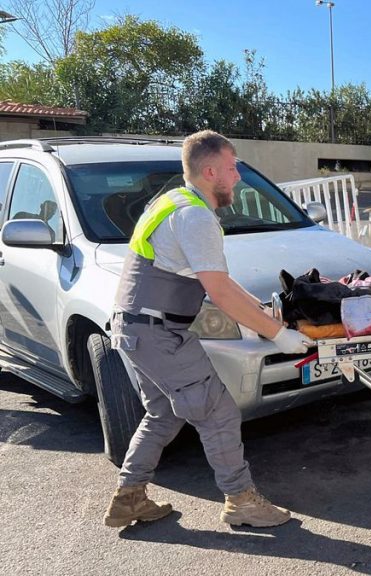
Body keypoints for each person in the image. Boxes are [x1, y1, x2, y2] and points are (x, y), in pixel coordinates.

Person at [103, 130, 311, 529]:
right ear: (211, 171)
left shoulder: (172, 201)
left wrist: (263, 313)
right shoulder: (195, 216)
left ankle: (129, 497)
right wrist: (278, 335)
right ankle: (241, 500)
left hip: (136, 329)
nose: (238, 177)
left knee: (163, 413)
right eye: (232, 168)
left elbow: (221, 282)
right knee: (218, 412)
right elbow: (218, 291)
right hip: (158, 333)